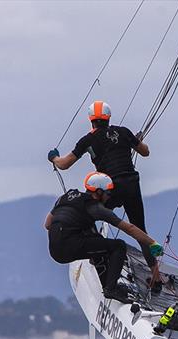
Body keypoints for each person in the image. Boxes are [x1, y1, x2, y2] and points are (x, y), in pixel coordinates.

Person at [47, 101, 158, 278]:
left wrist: (53, 158)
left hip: (108, 189)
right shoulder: (124, 132)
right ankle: (157, 277)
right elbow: (145, 152)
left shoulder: (87, 140)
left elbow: (65, 164)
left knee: (90, 216)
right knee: (139, 229)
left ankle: (96, 255)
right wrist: (136, 142)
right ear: (108, 118)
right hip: (131, 184)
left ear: (91, 120)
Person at [45, 172, 164, 303]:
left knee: (98, 240)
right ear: (99, 192)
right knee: (118, 246)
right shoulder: (95, 208)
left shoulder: (65, 197)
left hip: (54, 247)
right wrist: (152, 243)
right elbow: (129, 228)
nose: (109, 198)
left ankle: (107, 285)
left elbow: (47, 224)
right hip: (66, 248)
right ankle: (111, 289)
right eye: (108, 194)